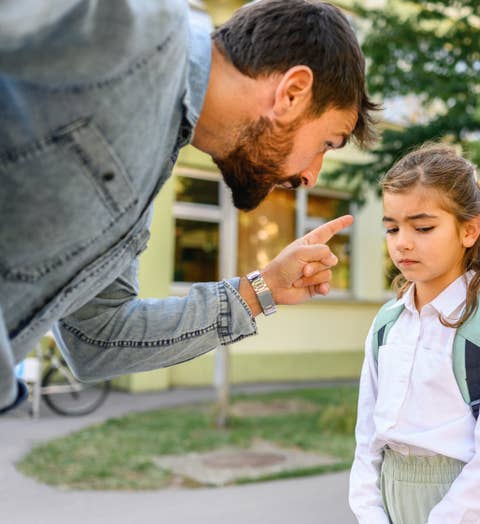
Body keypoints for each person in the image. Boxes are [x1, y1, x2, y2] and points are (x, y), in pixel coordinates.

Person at [0, 0, 378, 413]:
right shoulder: (138, 21)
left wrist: (259, 291)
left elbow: (97, 340)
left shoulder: (148, 176)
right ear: (291, 93)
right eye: (327, 143)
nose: (312, 177)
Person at [348, 143, 480, 524]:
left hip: (467, 508)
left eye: (423, 227)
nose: (402, 241)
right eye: (391, 228)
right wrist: (370, 515)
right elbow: (367, 441)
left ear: (469, 230)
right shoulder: (387, 323)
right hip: (389, 500)